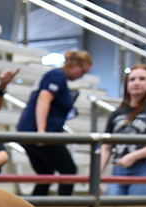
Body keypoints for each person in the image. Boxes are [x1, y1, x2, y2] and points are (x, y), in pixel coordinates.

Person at [15, 50, 92, 197]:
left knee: (45, 174)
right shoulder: (57, 76)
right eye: (82, 71)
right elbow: (43, 100)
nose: (81, 76)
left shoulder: (58, 78)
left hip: (31, 131)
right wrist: (42, 132)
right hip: (41, 133)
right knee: (68, 170)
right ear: (75, 64)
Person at [100, 64, 146, 196]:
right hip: (119, 169)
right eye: (132, 79)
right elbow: (106, 146)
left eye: (142, 79)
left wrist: (134, 156)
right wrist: (97, 175)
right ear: (126, 84)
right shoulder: (117, 112)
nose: (136, 83)